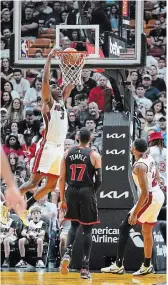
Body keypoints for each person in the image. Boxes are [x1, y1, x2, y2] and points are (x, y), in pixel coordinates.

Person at [14, 48, 73, 225]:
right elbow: (46, 80)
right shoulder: (49, 103)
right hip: (47, 147)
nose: (57, 87)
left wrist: (74, 63)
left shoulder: (62, 102)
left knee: (49, 186)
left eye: (57, 86)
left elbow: (70, 82)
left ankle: (27, 205)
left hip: (58, 148)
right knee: (33, 183)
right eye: (54, 87)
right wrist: (49, 58)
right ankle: (5, 206)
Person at [101, 138, 165, 276]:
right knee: (147, 229)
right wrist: (158, 181)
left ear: (134, 149)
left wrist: (135, 213)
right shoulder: (149, 157)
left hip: (150, 197)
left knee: (125, 227)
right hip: (157, 194)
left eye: (132, 145)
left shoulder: (140, 166)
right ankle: (147, 265)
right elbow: (157, 175)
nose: (130, 146)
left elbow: (144, 194)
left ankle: (118, 265)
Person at [59, 127, 102, 279]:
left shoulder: (67, 153)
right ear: (90, 139)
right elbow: (100, 180)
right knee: (88, 229)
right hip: (86, 190)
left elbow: (61, 178)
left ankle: (67, 254)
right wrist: (91, 192)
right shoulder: (94, 154)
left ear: (77, 138)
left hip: (70, 191)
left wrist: (62, 199)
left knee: (73, 225)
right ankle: (84, 268)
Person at [0, 145, 25, 223]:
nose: (12, 160)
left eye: (13, 158)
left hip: (17, 186)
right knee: (4, 189)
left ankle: (20, 210)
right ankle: (7, 208)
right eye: (10, 158)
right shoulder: (4, 168)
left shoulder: (20, 167)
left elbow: (22, 180)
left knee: (21, 187)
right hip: (6, 186)